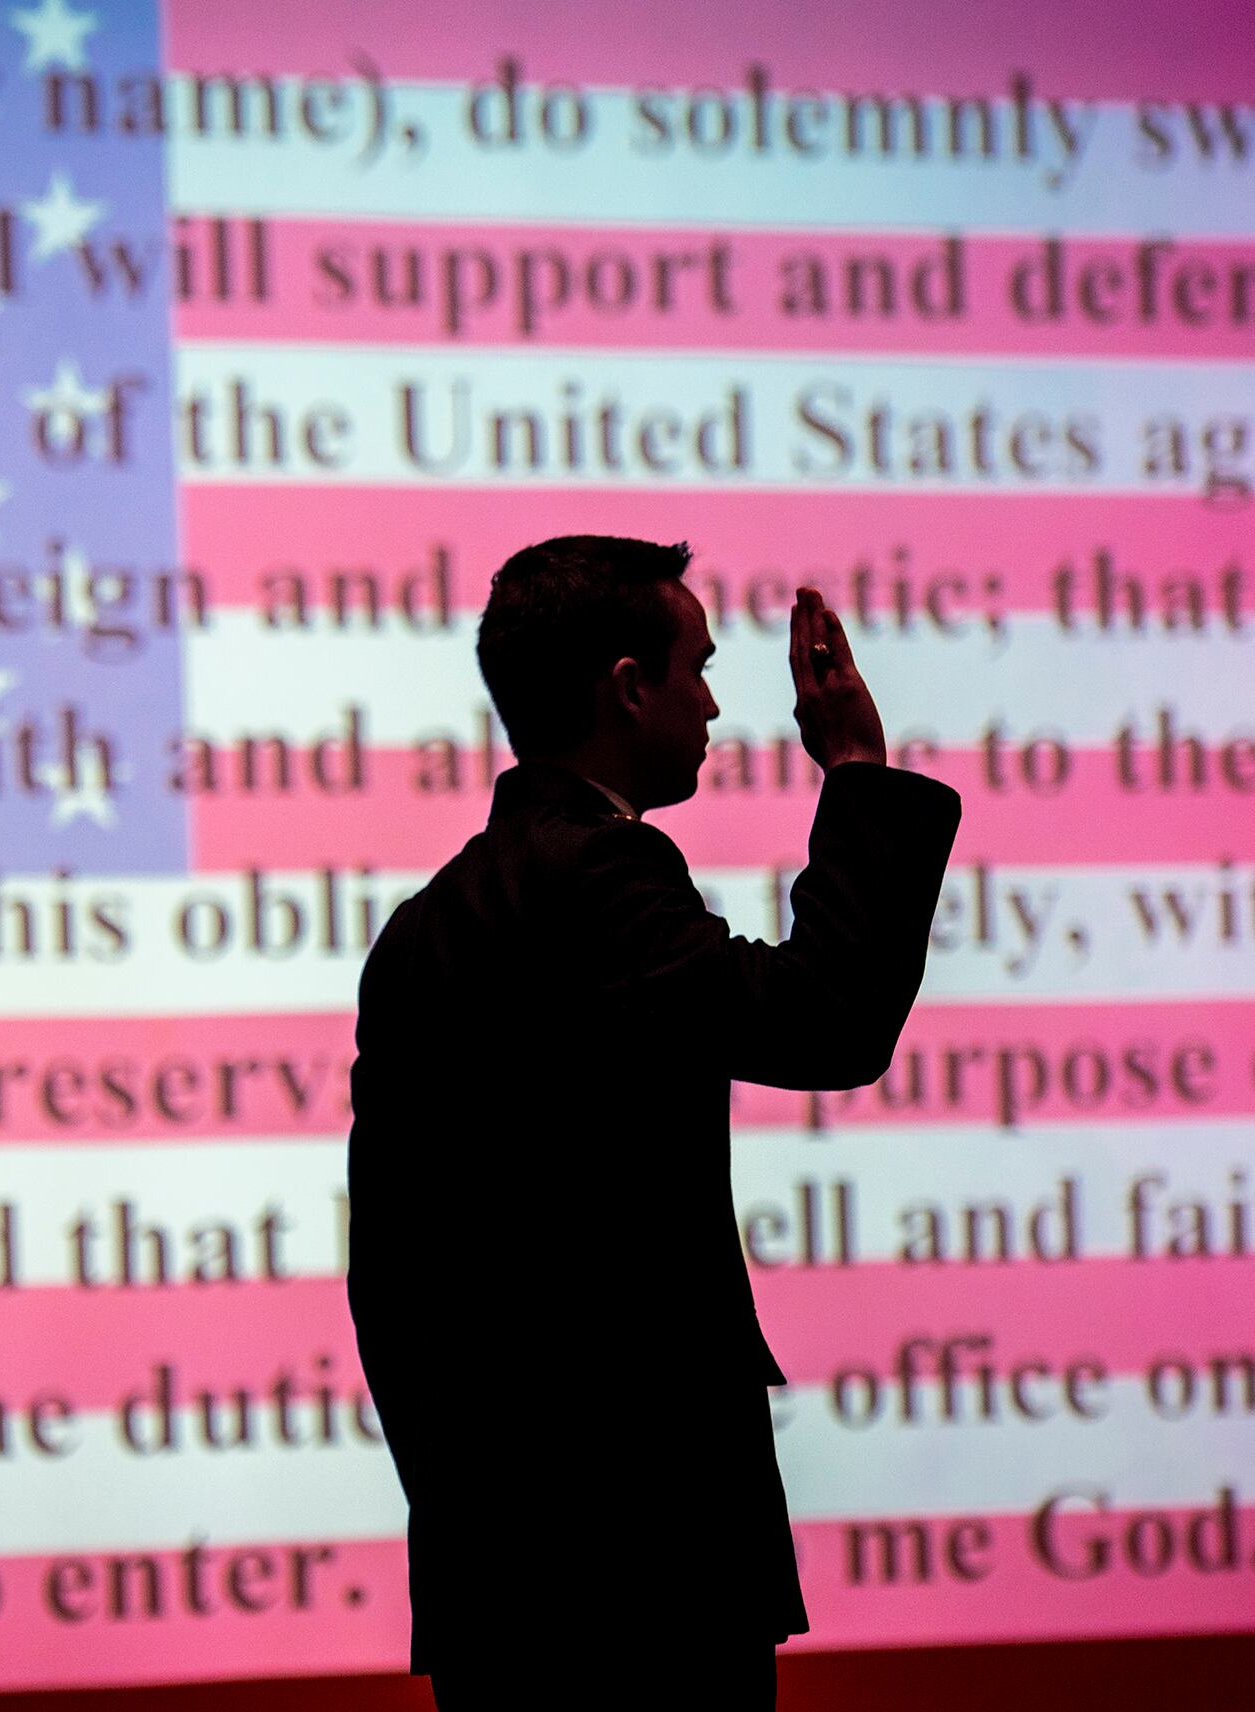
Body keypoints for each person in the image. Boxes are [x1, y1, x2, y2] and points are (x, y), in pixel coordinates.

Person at [345, 535, 964, 1708]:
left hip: (498, 1576)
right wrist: (856, 773)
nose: (716, 702)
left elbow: (389, 1272)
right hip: (642, 1575)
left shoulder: (421, 929)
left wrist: (461, 1501)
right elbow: (827, 1021)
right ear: (629, 685)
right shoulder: (603, 872)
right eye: (699, 666)